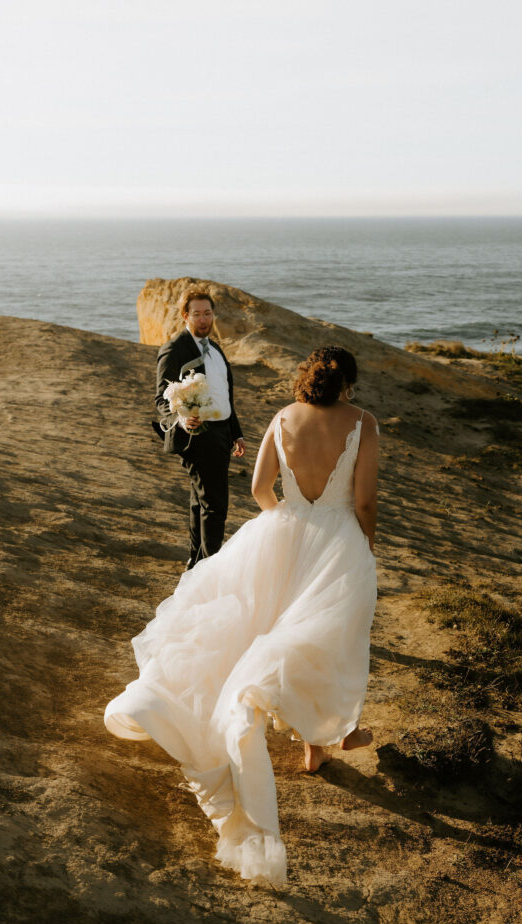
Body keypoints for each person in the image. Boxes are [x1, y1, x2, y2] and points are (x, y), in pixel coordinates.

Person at [105, 346, 379, 885]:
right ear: (346, 383)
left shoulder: (282, 418)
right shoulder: (363, 423)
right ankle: (326, 737)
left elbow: (258, 489)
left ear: (307, 380)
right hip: (339, 538)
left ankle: (318, 746)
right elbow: (365, 502)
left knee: (274, 629)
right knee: (325, 635)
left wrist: (288, 523)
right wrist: (361, 545)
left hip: (281, 535)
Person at [154, 288, 246, 569]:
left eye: (208, 313)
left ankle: (196, 563)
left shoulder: (216, 350)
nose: (204, 319)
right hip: (197, 434)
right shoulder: (174, 348)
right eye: (197, 314)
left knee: (200, 500)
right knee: (215, 504)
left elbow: (225, 395)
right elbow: (161, 399)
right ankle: (210, 568)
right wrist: (182, 417)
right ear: (185, 315)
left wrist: (236, 433)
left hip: (221, 433)